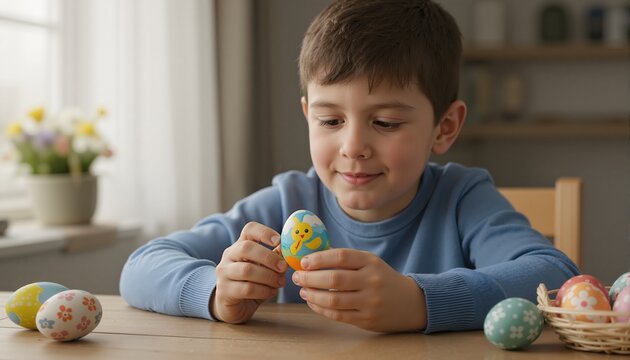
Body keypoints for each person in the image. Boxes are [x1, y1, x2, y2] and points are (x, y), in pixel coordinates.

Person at [119, 0, 579, 333]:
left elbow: (555, 276)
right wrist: (217, 292)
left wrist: (419, 302)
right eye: (331, 120)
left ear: (445, 126)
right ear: (308, 117)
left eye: (385, 121)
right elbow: (141, 266)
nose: (353, 145)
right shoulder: (284, 203)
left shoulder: (462, 198)